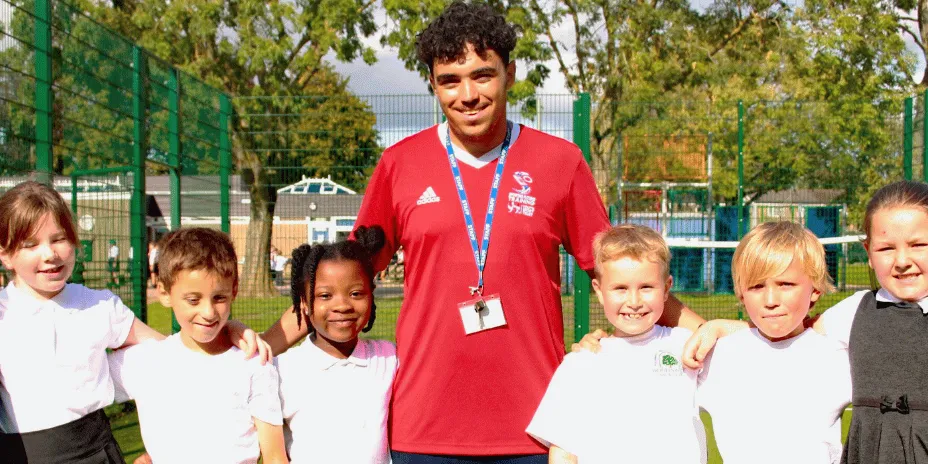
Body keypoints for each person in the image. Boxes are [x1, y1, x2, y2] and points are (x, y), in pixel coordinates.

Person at [255, 2, 703, 462]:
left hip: (537, 428)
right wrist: (261, 345)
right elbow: (339, 283)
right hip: (422, 429)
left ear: (510, 73)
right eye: (450, 80)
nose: (467, 94)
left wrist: (707, 331)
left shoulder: (560, 162)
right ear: (433, 84)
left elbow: (625, 272)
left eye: (482, 75)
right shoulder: (400, 165)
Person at [684, 180, 928, 463]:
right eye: (886, 248)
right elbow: (792, 330)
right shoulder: (851, 314)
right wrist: (719, 327)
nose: (901, 260)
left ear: (815, 290)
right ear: (869, 252)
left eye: (918, 244)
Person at [0, 181, 164, 463]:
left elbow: (174, 354)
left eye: (59, 239)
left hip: (96, 451)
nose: (50, 254)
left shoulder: (99, 305)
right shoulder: (4, 313)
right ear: (6, 255)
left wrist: (231, 332)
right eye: (31, 244)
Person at [526, 225, 706, 464]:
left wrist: (716, 329)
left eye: (646, 287)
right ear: (599, 291)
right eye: (620, 288)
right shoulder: (581, 363)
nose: (633, 301)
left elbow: (748, 345)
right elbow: (563, 450)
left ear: (666, 288)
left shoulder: (687, 347)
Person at [108, 227, 287, 464]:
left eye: (219, 298)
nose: (208, 312)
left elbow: (275, 457)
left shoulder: (254, 363)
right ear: (164, 292)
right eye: (193, 300)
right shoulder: (142, 362)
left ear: (234, 291)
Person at [696, 221, 851, 463]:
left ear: (815, 290)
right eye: (757, 286)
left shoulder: (836, 355)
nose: (770, 299)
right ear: (740, 293)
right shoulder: (717, 356)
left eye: (786, 284)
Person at [276, 226, 397, 463]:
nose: (342, 305)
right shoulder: (282, 370)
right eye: (325, 296)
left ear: (371, 297)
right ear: (305, 303)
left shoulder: (388, 357)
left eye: (355, 293)